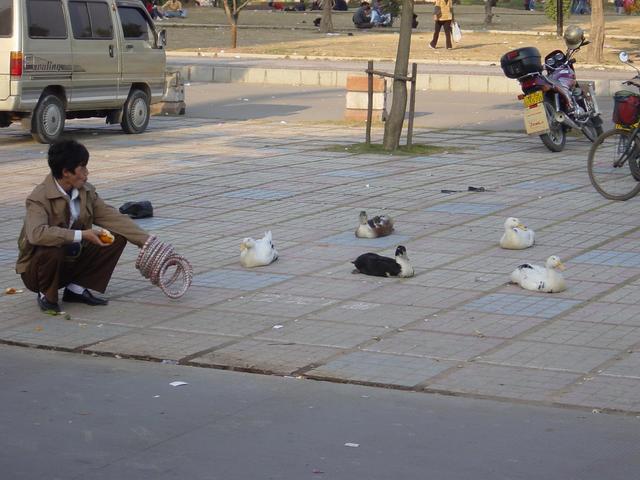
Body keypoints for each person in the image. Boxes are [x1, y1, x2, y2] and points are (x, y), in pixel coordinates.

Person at [16, 140, 150, 313]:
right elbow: (36, 234)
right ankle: (46, 294)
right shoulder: (39, 198)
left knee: (115, 237)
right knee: (52, 247)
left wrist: (148, 242)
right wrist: (81, 234)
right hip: (38, 270)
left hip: (72, 260)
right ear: (66, 172)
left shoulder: (86, 191)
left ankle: (76, 289)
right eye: (82, 168)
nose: (87, 173)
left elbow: (112, 217)